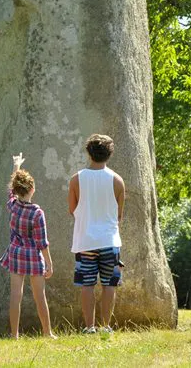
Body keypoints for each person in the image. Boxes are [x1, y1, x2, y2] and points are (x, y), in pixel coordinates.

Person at [68, 134, 125, 334]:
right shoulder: (117, 181)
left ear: (88, 152)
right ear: (110, 154)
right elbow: (119, 215)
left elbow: (72, 209)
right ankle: (106, 326)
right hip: (110, 241)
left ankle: (89, 327)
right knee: (110, 284)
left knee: (87, 284)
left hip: (85, 241)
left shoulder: (76, 179)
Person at [0, 153, 56, 339]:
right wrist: (49, 263)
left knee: (16, 294)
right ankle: (47, 332)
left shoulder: (13, 205)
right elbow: (42, 242)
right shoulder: (37, 213)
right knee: (40, 296)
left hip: (15, 252)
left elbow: (11, 192)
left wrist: (16, 166)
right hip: (32, 255)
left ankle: (14, 334)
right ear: (32, 189)